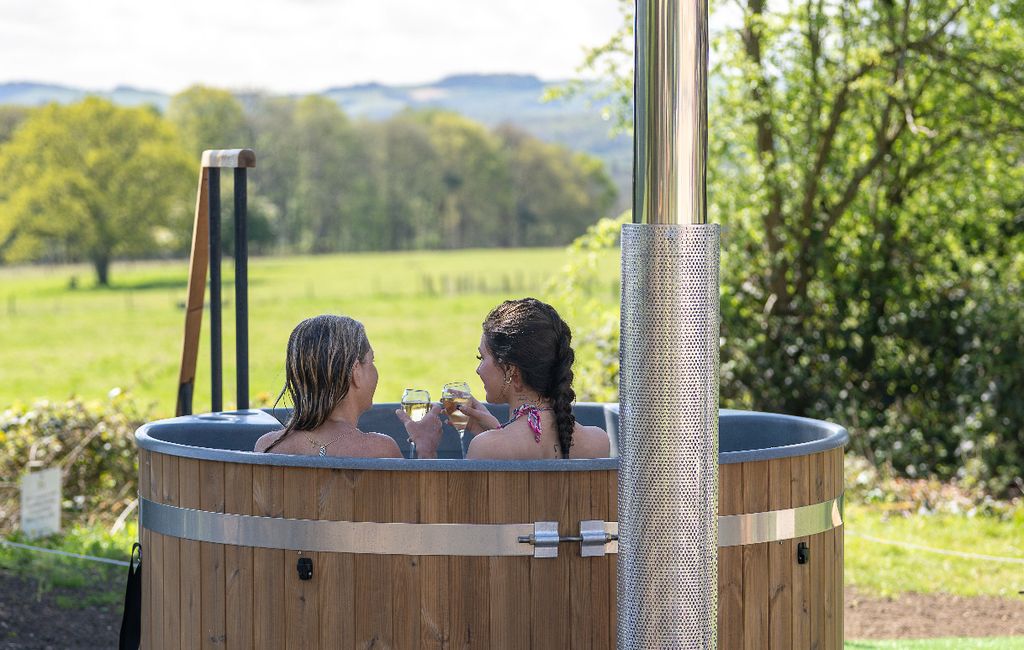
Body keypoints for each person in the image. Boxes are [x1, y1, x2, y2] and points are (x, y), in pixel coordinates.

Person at [254, 314, 442, 457]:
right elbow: (419, 508)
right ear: (356, 372)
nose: (375, 371)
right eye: (372, 361)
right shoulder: (379, 451)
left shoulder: (267, 447)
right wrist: (426, 450)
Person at [447, 298, 610, 460]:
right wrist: (497, 429)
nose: (478, 370)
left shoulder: (487, 448)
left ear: (511, 370)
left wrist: (426, 447)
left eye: (481, 357)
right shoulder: (598, 442)